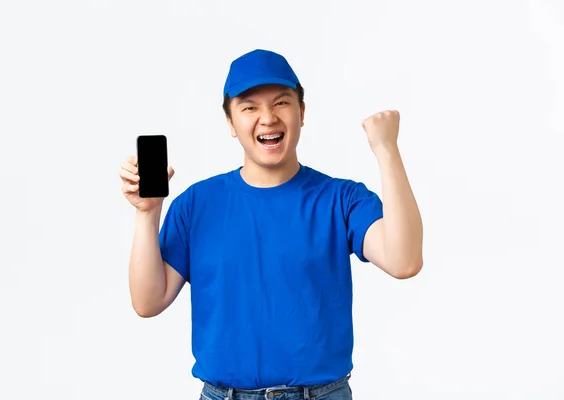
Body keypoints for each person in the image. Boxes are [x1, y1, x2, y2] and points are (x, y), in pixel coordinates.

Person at [119, 49, 423, 400]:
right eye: (249, 107)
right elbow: (147, 301)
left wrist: (386, 149)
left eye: (281, 103)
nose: (267, 118)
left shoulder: (341, 200)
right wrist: (147, 213)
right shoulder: (196, 204)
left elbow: (404, 261)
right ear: (231, 123)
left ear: (302, 112)